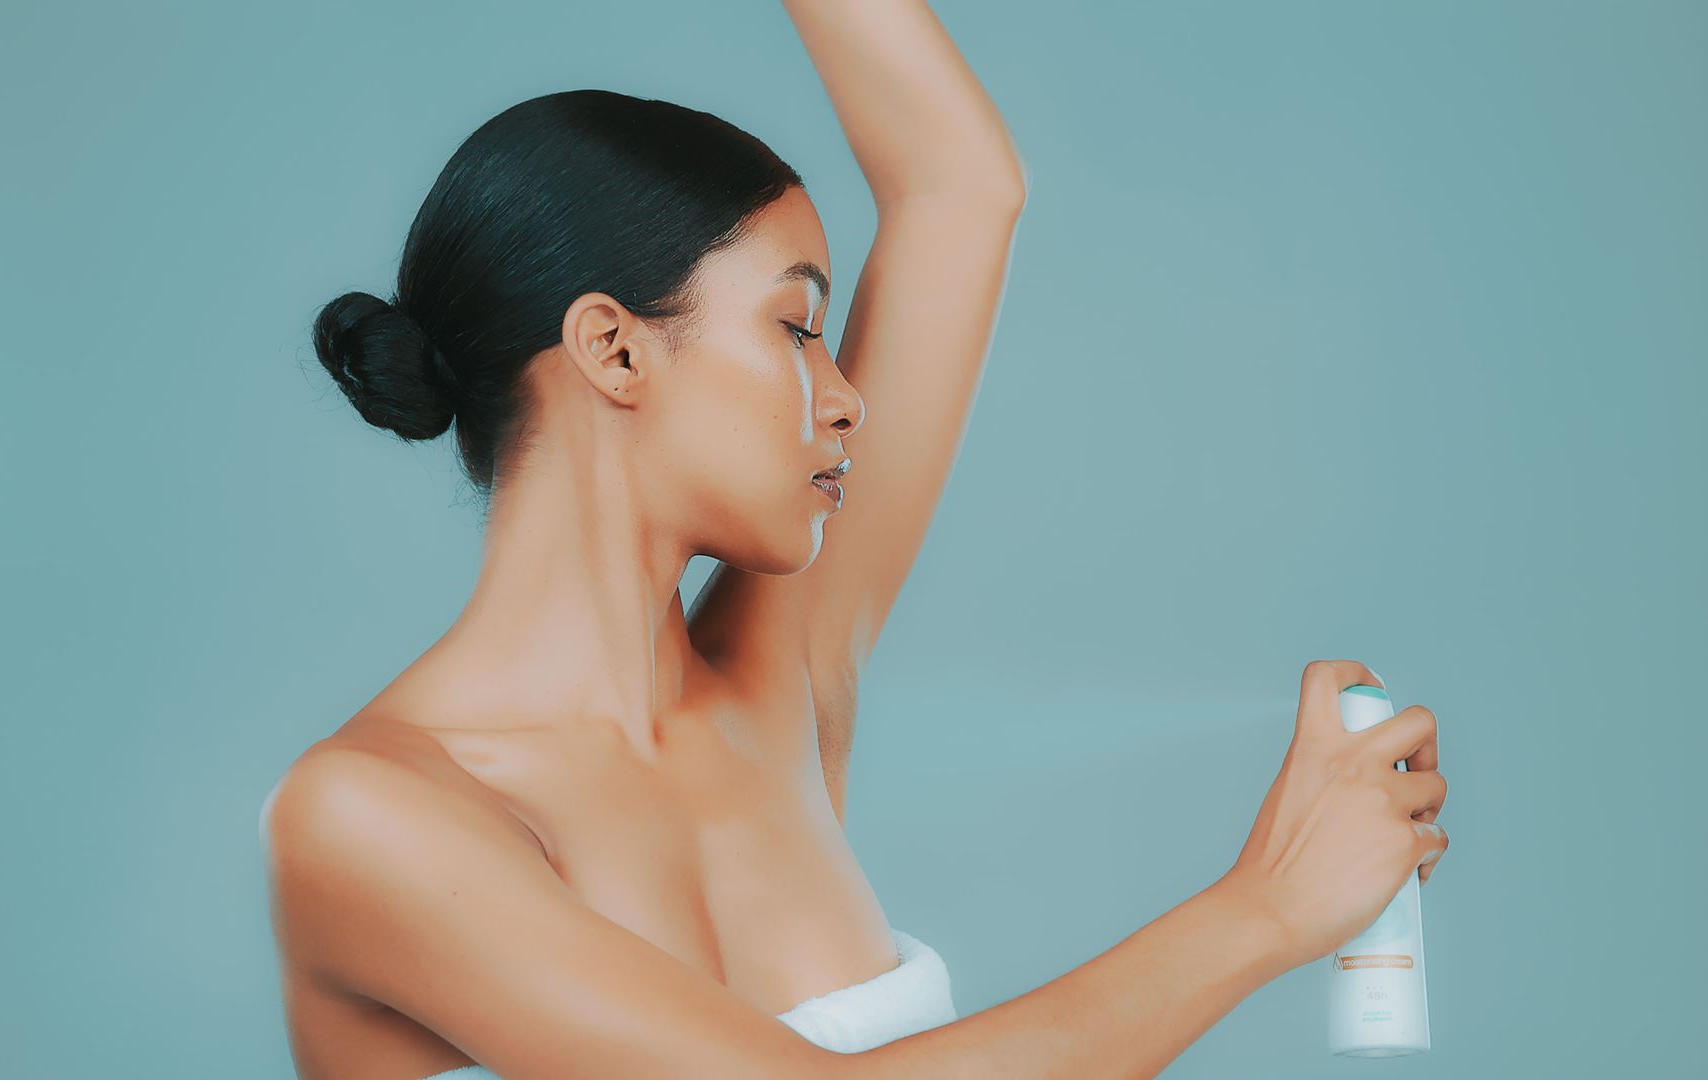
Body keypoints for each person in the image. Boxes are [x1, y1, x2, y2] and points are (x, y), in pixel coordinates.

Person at [258, 2, 1450, 1077]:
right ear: (613, 350)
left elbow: (960, 186)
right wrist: (1264, 909)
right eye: (797, 327)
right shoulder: (364, 816)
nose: (846, 399)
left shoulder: (777, 681)